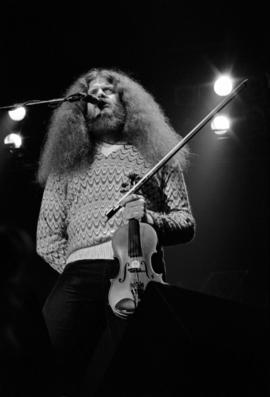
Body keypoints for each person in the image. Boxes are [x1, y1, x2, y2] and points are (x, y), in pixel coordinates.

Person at [36, 68, 195, 396]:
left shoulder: (157, 156)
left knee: (141, 369)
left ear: (127, 101)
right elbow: (47, 238)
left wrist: (150, 218)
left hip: (136, 268)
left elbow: (185, 222)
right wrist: (75, 267)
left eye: (108, 90)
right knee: (47, 360)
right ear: (81, 109)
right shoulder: (66, 164)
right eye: (92, 93)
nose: (99, 96)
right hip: (77, 275)